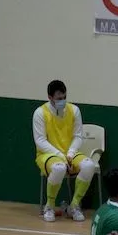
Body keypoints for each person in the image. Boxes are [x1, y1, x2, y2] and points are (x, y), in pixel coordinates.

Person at [34, 79, 97, 222]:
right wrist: (60, 156)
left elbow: (78, 136)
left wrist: (70, 153)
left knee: (89, 166)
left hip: (70, 153)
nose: (62, 101)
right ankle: (49, 206)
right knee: (58, 168)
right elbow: (40, 141)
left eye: (64, 98)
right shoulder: (40, 113)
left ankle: (74, 206)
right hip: (48, 154)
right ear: (50, 98)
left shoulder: (74, 110)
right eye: (58, 98)